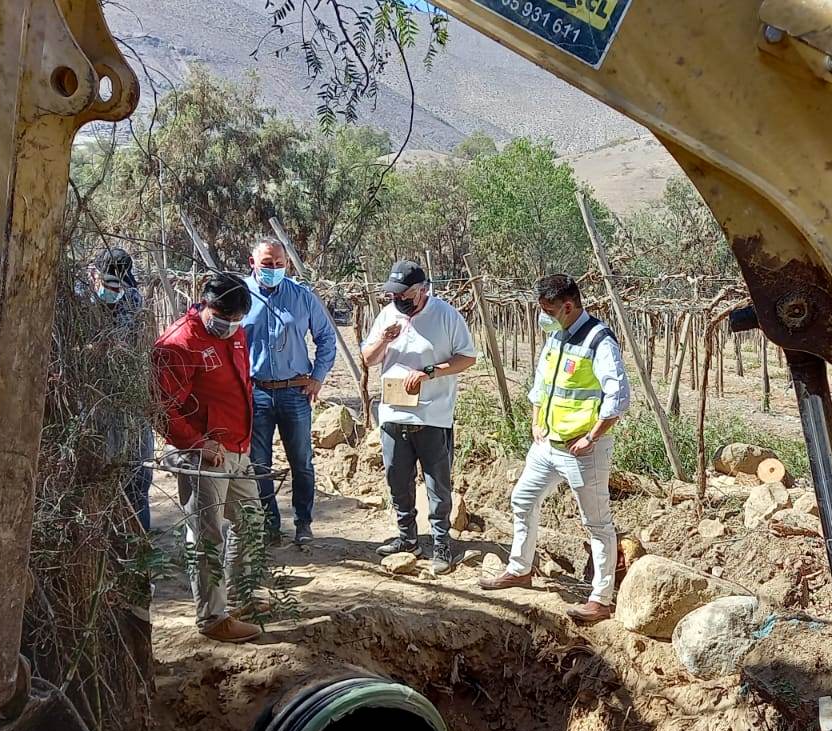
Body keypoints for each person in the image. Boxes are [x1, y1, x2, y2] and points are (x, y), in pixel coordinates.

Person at [478, 274, 631, 624]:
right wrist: (536, 419)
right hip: (547, 444)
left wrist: (592, 437)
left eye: (548, 310)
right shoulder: (555, 335)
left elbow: (618, 398)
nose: (542, 317)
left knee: (597, 524)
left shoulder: (598, 340)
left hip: (582, 451)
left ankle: (600, 599)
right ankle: (519, 569)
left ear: (568, 306)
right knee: (522, 500)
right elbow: (542, 383)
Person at [152, 272, 264, 643]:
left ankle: (237, 597)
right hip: (204, 456)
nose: (231, 326)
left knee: (250, 523)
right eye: (224, 318)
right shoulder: (178, 345)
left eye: (237, 320)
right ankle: (213, 617)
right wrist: (197, 443)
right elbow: (160, 406)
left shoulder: (235, 335)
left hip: (237, 448)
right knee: (207, 535)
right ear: (205, 305)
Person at [361, 260, 478, 575]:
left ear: (423, 290)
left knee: (437, 484)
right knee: (397, 479)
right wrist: (384, 338)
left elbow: (467, 357)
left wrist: (429, 372)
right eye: (393, 293)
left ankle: (441, 545)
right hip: (393, 414)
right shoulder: (387, 315)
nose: (398, 299)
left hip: (432, 415)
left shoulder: (446, 315)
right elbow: (368, 358)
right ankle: (407, 538)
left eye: (405, 294)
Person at [241, 238, 339, 547]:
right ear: (252, 263)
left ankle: (303, 522)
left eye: (279, 264)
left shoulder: (303, 297)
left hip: (295, 393)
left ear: (287, 264)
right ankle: (270, 526)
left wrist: (317, 377)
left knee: (302, 461)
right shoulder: (239, 297)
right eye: (267, 264)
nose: (273, 269)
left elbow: (326, 338)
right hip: (255, 393)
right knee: (259, 465)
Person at [91, 247, 155, 532]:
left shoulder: (133, 301)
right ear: (95, 277)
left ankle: (140, 546)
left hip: (131, 402)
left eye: (119, 284)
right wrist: (95, 350)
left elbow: (142, 347)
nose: (114, 290)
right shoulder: (81, 306)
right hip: (96, 403)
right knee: (102, 478)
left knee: (138, 477)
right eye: (108, 284)